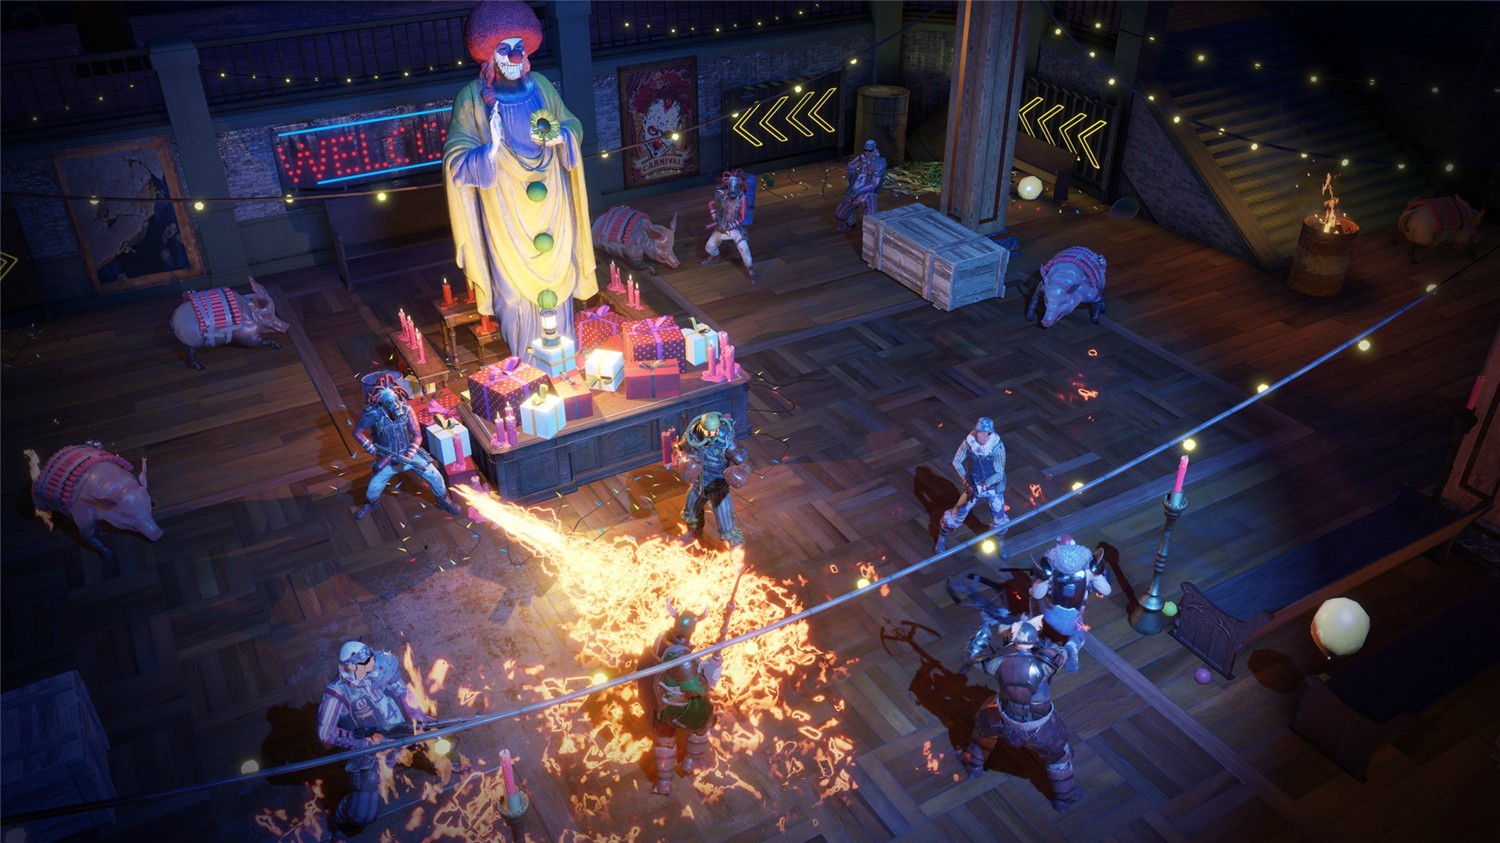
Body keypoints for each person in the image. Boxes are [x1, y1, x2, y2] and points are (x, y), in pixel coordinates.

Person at [443, 0, 596, 357]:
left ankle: (563, 358)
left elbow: (570, 124)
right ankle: (525, 363)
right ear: (488, 56)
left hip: (553, 202)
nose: (514, 55)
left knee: (559, 281)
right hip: (505, 208)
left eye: (518, 47)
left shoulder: (540, 85)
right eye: (504, 49)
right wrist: (490, 150)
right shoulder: (471, 98)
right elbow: (455, 157)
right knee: (512, 296)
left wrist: (561, 137)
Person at [960, 619, 1083, 812]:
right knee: (1059, 759)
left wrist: (978, 643)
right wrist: (1077, 633)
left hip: (1002, 716)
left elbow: (975, 658)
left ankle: (974, 767)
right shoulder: (1046, 663)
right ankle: (1064, 800)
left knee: (982, 731)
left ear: (1014, 639)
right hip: (1040, 727)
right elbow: (1069, 648)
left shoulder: (998, 663)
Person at [316, 641, 433, 833]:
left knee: (438, 743)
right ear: (353, 666)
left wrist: (417, 717)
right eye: (366, 661)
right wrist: (363, 743)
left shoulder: (380, 666)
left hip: (400, 731)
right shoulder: (337, 692)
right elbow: (325, 733)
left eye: (371, 657)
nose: (373, 662)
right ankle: (339, 819)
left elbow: (402, 691)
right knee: (363, 814)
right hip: (372, 750)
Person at [353, 372, 463, 520]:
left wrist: (409, 455)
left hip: (411, 454)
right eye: (390, 402)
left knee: (436, 477)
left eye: (395, 400)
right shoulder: (373, 414)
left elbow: (417, 436)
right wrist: (375, 451)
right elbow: (357, 433)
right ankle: (371, 503)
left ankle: (443, 501)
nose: (395, 406)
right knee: (373, 488)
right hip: (387, 458)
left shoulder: (406, 410)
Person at [649, 618, 723, 795]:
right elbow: (696, 690)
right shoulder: (683, 659)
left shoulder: (661, 641)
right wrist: (712, 667)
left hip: (659, 701)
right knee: (704, 720)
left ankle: (664, 784)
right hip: (678, 708)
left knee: (665, 740)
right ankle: (690, 762)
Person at [1031, 536, 1111, 672]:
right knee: (1079, 633)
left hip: (1049, 615)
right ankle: (1071, 648)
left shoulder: (1052, 573)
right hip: (1072, 618)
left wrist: (1042, 578)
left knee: (1033, 602)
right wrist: (1097, 575)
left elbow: (1036, 594)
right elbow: (1106, 590)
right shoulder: (1088, 573)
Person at [675, 411, 750, 547]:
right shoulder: (693, 435)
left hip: (718, 487)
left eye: (715, 431)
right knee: (690, 513)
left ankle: (736, 548)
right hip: (698, 484)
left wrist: (741, 471)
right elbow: (681, 449)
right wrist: (684, 460)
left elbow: (742, 460)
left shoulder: (726, 440)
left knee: (726, 525)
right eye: (708, 432)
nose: (712, 435)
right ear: (702, 428)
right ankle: (694, 534)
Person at [935, 417, 1008, 554]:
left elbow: (999, 473)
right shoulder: (968, 443)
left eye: (989, 434)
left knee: (999, 517)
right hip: (972, 487)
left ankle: (1000, 541)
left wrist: (986, 485)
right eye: (983, 433)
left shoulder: (997, 447)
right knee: (957, 514)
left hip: (993, 488)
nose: (987, 437)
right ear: (977, 432)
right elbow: (957, 462)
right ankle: (942, 537)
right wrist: (966, 479)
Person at [701, 174, 756, 283]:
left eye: (735, 187)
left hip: (736, 229)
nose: (733, 191)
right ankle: (714, 256)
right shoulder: (723, 193)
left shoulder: (743, 198)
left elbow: (742, 217)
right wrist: (715, 217)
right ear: (728, 186)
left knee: (745, 250)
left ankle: (751, 272)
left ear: (739, 186)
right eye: (731, 187)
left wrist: (730, 226)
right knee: (709, 247)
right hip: (721, 226)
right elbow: (711, 204)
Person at [834, 139, 887, 232]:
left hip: (868, 194)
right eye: (865, 150)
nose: (867, 153)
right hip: (853, 191)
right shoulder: (861, 158)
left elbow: (874, 184)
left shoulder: (879, 163)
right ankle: (851, 224)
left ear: (875, 149)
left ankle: (870, 237)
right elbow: (851, 167)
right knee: (840, 214)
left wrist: (857, 192)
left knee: (871, 221)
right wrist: (851, 174)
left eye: (870, 150)